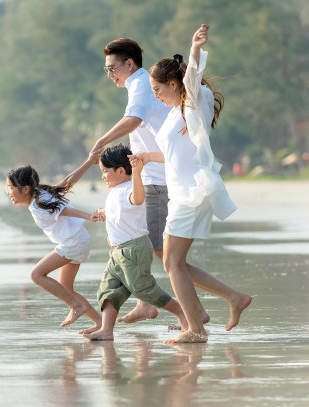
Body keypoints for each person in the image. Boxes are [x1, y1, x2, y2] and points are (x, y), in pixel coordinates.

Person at [130, 24, 251, 343]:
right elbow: (174, 155)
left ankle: (195, 329)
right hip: (183, 191)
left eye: (158, 89)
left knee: (171, 262)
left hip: (192, 192)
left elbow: (193, 76)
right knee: (175, 262)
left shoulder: (192, 103)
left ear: (174, 83)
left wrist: (195, 48)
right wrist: (145, 157)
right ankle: (233, 298)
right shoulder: (174, 113)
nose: (155, 95)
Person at [89, 37, 201, 325]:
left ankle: (198, 310)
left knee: (166, 255)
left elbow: (134, 118)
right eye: (106, 70)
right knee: (152, 243)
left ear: (129, 63)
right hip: (153, 174)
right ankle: (145, 303)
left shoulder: (140, 84)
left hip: (159, 177)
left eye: (112, 68)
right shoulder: (139, 84)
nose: (110, 74)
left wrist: (102, 140)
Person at [83, 144, 188, 341]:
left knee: (143, 288)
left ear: (121, 171)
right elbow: (120, 214)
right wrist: (104, 214)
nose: (103, 176)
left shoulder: (128, 189)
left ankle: (182, 312)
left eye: (105, 171)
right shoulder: (114, 192)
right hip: (117, 252)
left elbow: (138, 199)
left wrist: (138, 172)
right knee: (108, 290)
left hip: (134, 250)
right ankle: (106, 330)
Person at [5, 156, 102, 331]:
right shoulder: (41, 195)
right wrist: (88, 162)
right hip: (77, 239)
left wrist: (89, 216)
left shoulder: (37, 205)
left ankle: (76, 306)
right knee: (66, 287)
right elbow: (67, 183)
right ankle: (99, 323)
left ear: (25, 188)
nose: (8, 191)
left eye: (11, 187)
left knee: (36, 275)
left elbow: (64, 210)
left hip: (73, 242)